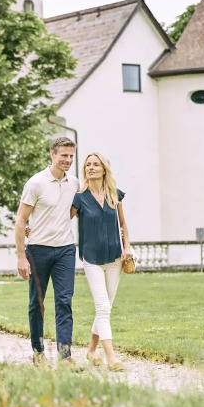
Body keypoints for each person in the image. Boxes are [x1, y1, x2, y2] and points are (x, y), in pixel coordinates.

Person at [15, 135, 78, 366]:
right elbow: (21, 220)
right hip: (38, 250)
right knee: (37, 302)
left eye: (71, 156)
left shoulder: (74, 183)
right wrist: (21, 257)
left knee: (64, 301)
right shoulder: (36, 183)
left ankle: (65, 356)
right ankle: (38, 352)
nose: (68, 160)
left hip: (65, 250)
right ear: (52, 154)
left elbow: (72, 212)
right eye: (63, 155)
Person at [71, 152, 133, 369]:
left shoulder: (115, 195)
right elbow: (60, 219)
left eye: (96, 164)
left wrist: (127, 247)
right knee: (103, 306)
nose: (91, 168)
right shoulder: (79, 198)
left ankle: (91, 351)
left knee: (105, 308)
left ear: (104, 169)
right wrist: (34, 228)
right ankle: (111, 358)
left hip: (115, 258)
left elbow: (122, 224)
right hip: (92, 259)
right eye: (88, 165)